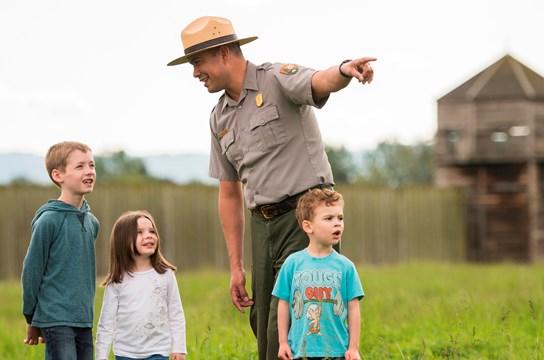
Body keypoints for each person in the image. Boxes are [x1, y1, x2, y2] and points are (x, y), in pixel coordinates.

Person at [167, 15, 374, 360]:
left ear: (222, 53)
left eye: (197, 62)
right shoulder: (218, 117)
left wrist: (344, 69)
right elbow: (229, 194)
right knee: (264, 319)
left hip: (304, 216)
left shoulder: (277, 79)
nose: (194, 73)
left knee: (306, 311)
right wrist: (236, 266)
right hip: (263, 226)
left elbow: (319, 81)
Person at [21, 141, 100, 360]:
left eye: (92, 165)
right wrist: (31, 318)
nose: (89, 171)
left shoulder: (92, 222)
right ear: (58, 175)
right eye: (80, 166)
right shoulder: (48, 221)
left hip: (84, 318)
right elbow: (31, 271)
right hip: (55, 318)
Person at [272, 188, 364, 360]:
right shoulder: (292, 264)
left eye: (340, 218)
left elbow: (353, 308)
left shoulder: (346, 267)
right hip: (300, 351)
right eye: (329, 218)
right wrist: (283, 342)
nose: (337, 223)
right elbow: (283, 304)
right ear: (308, 226)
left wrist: (353, 347)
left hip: (337, 351)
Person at [95, 210, 187, 360]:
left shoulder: (166, 275)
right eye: (140, 232)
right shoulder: (117, 280)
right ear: (123, 240)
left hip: (158, 351)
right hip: (125, 353)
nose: (149, 235)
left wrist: (179, 348)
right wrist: (101, 357)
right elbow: (107, 322)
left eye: (152, 231)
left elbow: (176, 314)